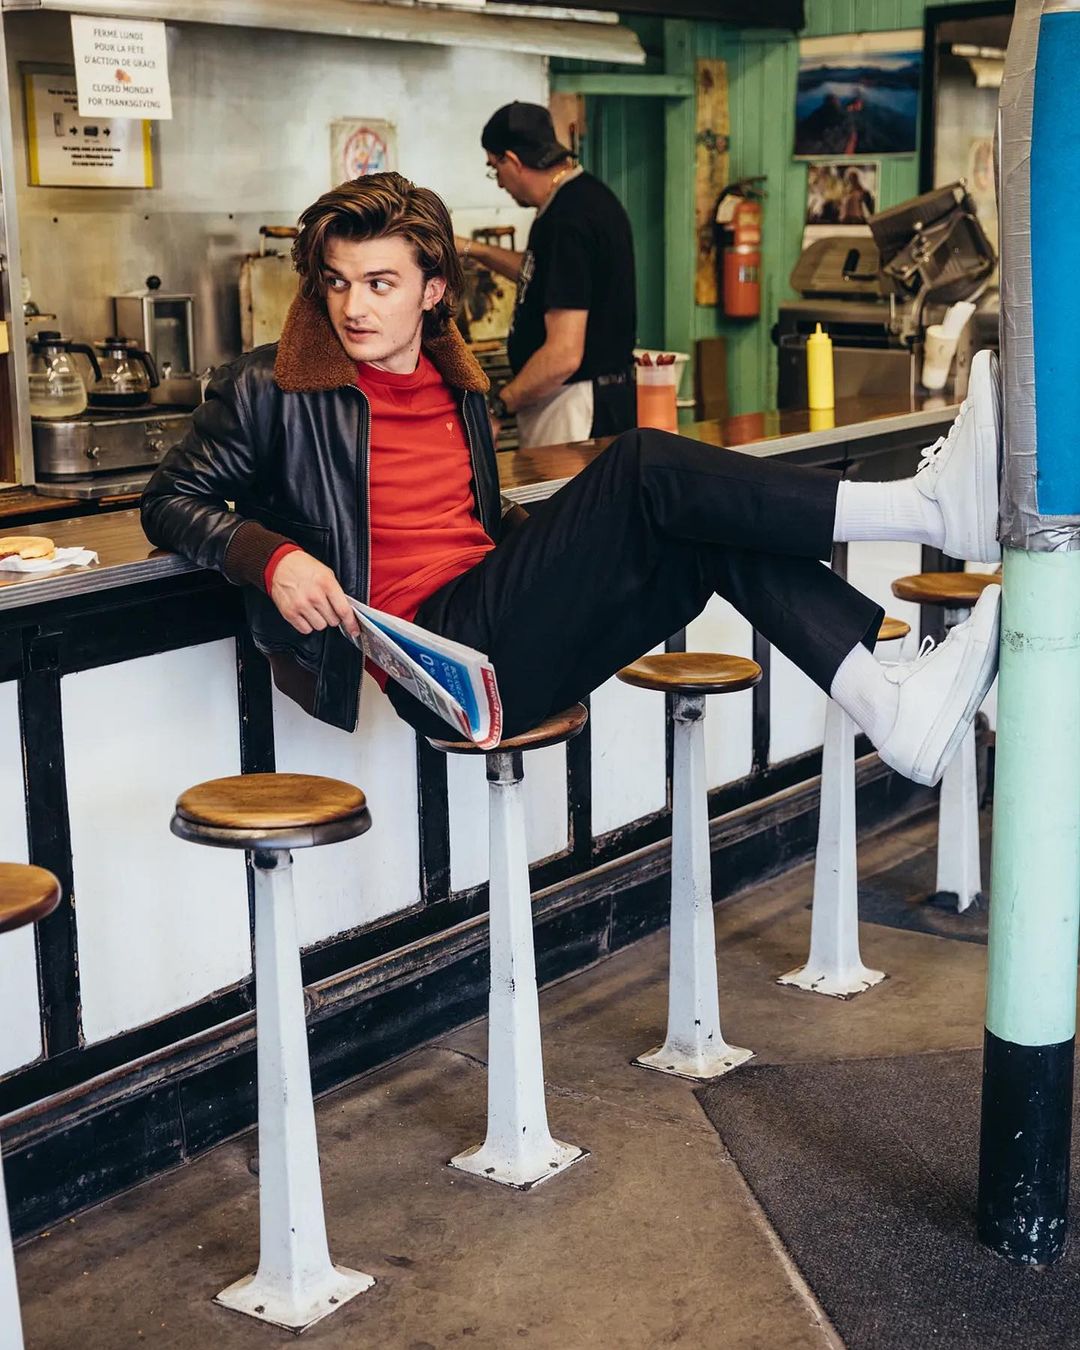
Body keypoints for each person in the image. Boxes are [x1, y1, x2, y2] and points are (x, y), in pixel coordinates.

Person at [141, 171, 1002, 791]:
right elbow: (169, 500)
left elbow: (473, 525)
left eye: (380, 283)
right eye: (336, 283)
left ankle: (889, 711)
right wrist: (270, 557)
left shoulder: (457, 384)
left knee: (709, 529)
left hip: (505, 631)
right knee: (641, 461)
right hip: (439, 669)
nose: (353, 306)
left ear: (433, 290)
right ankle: (919, 509)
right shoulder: (270, 387)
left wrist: (570, 545)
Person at [453, 101, 637, 448]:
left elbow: (563, 355)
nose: (499, 183)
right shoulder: (582, 197)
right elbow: (541, 272)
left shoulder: (568, 218)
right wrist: (471, 248)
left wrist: (498, 406)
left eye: (494, 168)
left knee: (567, 487)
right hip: (584, 397)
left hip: (575, 406)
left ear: (512, 160)